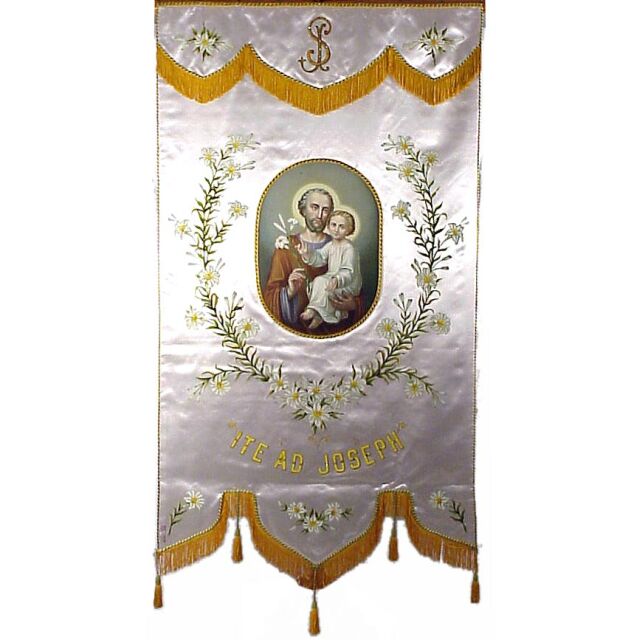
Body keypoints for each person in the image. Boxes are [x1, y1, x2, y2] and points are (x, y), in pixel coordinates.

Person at [263, 188, 364, 333]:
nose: (319, 215)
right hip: (294, 332)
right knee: (320, 282)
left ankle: (318, 314)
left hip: (335, 333)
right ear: (303, 210)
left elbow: (357, 290)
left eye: (325, 210)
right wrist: (289, 292)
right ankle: (315, 312)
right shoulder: (286, 246)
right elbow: (269, 298)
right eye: (314, 207)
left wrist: (352, 305)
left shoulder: (340, 244)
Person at [298, 210, 362, 329]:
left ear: (349, 230)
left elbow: (348, 271)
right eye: (333, 225)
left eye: (341, 227)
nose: (336, 229)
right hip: (332, 277)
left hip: (347, 283)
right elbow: (320, 258)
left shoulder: (349, 248)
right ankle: (319, 315)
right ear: (328, 226)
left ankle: (314, 310)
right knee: (319, 281)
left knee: (323, 282)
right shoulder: (331, 245)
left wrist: (337, 279)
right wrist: (308, 254)